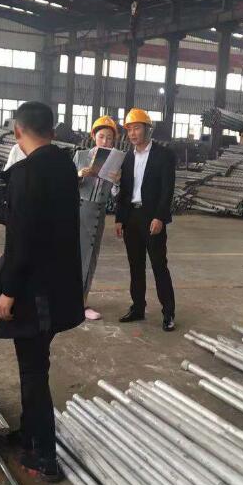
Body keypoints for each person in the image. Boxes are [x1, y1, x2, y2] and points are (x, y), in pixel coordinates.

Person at [0, 102, 83, 482]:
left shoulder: (25, 172)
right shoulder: (64, 165)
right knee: (36, 366)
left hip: (36, 293)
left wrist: (10, 291)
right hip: (60, 286)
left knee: (33, 373)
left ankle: (43, 456)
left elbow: (24, 238)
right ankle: (31, 434)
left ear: (17, 131)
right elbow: (30, 218)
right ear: (53, 130)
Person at [115, 108, 176, 332]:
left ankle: (168, 312)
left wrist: (160, 216)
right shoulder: (127, 157)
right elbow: (124, 191)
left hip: (152, 217)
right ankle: (138, 308)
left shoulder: (164, 155)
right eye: (129, 129)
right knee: (135, 266)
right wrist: (119, 219)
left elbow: (167, 189)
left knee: (159, 266)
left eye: (137, 128)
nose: (132, 133)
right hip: (131, 217)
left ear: (148, 129)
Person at [77, 115, 122, 321]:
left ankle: (81, 302)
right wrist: (79, 175)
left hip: (98, 212)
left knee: (90, 257)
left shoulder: (116, 162)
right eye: (101, 136)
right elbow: (64, 185)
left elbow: (116, 195)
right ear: (93, 136)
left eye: (109, 138)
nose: (105, 141)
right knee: (70, 256)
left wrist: (117, 182)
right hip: (78, 209)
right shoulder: (80, 156)